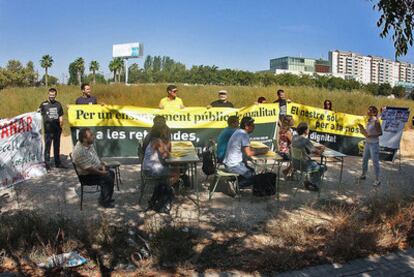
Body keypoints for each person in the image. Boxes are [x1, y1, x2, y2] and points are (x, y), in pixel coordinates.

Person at [72, 128, 115, 208]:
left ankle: (105, 197)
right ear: (84, 139)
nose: (93, 136)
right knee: (107, 176)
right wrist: (102, 172)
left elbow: (95, 158)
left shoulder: (89, 144)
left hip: (94, 170)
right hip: (86, 176)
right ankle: (105, 201)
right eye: (91, 135)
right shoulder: (79, 151)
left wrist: (102, 164)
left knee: (111, 172)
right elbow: (89, 169)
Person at [291, 122, 327, 191]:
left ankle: (310, 181)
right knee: (323, 167)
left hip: (294, 163)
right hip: (304, 164)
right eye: (308, 129)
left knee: (316, 166)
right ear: (305, 131)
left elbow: (307, 149)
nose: (309, 130)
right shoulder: (305, 141)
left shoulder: (294, 137)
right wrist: (323, 148)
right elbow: (318, 152)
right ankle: (311, 182)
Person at [223, 116, 257, 187]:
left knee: (252, 171)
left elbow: (244, 150)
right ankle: (235, 185)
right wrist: (261, 151)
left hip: (230, 163)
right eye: (253, 125)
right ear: (246, 126)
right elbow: (248, 153)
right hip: (233, 165)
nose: (254, 127)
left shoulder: (238, 131)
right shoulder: (243, 134)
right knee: (253, 177)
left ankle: (234, 181)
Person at [38, 88, 64, 169]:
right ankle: (47, 164)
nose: (51, 96)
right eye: (50, 95)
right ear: (48, 94)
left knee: (57, 146)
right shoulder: (43, 104)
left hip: (57, 129)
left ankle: (58, 163)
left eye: (53, 95)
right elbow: (37, 114)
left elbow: (61, 115)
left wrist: (61, 122)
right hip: (48, 130)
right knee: (47, 147)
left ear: (55, 95)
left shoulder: (58, 104)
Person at [358, 106, 382, 186]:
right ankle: (363, 174)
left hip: (374, 144)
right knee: (364, 159)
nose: (368, 111)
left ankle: (377, 180)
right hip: (367, 143)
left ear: (374, 112)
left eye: (370, 110)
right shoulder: (369, 120)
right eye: (368, 109)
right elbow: (367, 132)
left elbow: (380, 133)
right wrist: (363, 131)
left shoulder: (376, 121)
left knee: (375, 162)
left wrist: (370, 135)